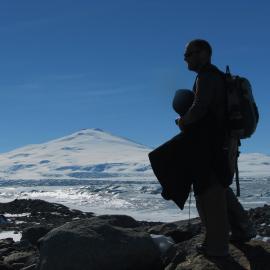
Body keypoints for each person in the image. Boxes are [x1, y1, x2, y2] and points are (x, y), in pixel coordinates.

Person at [177, 39, 256, 257]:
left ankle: (217, 246)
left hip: (213, 144)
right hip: (226, 143)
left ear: (203, 53)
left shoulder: (206, 76)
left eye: (189, 54)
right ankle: (243, 228)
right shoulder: (220, 77)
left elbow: (199, 108)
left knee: (210, 192)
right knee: (219, 185)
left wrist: (183, 121)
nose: (185, 59)